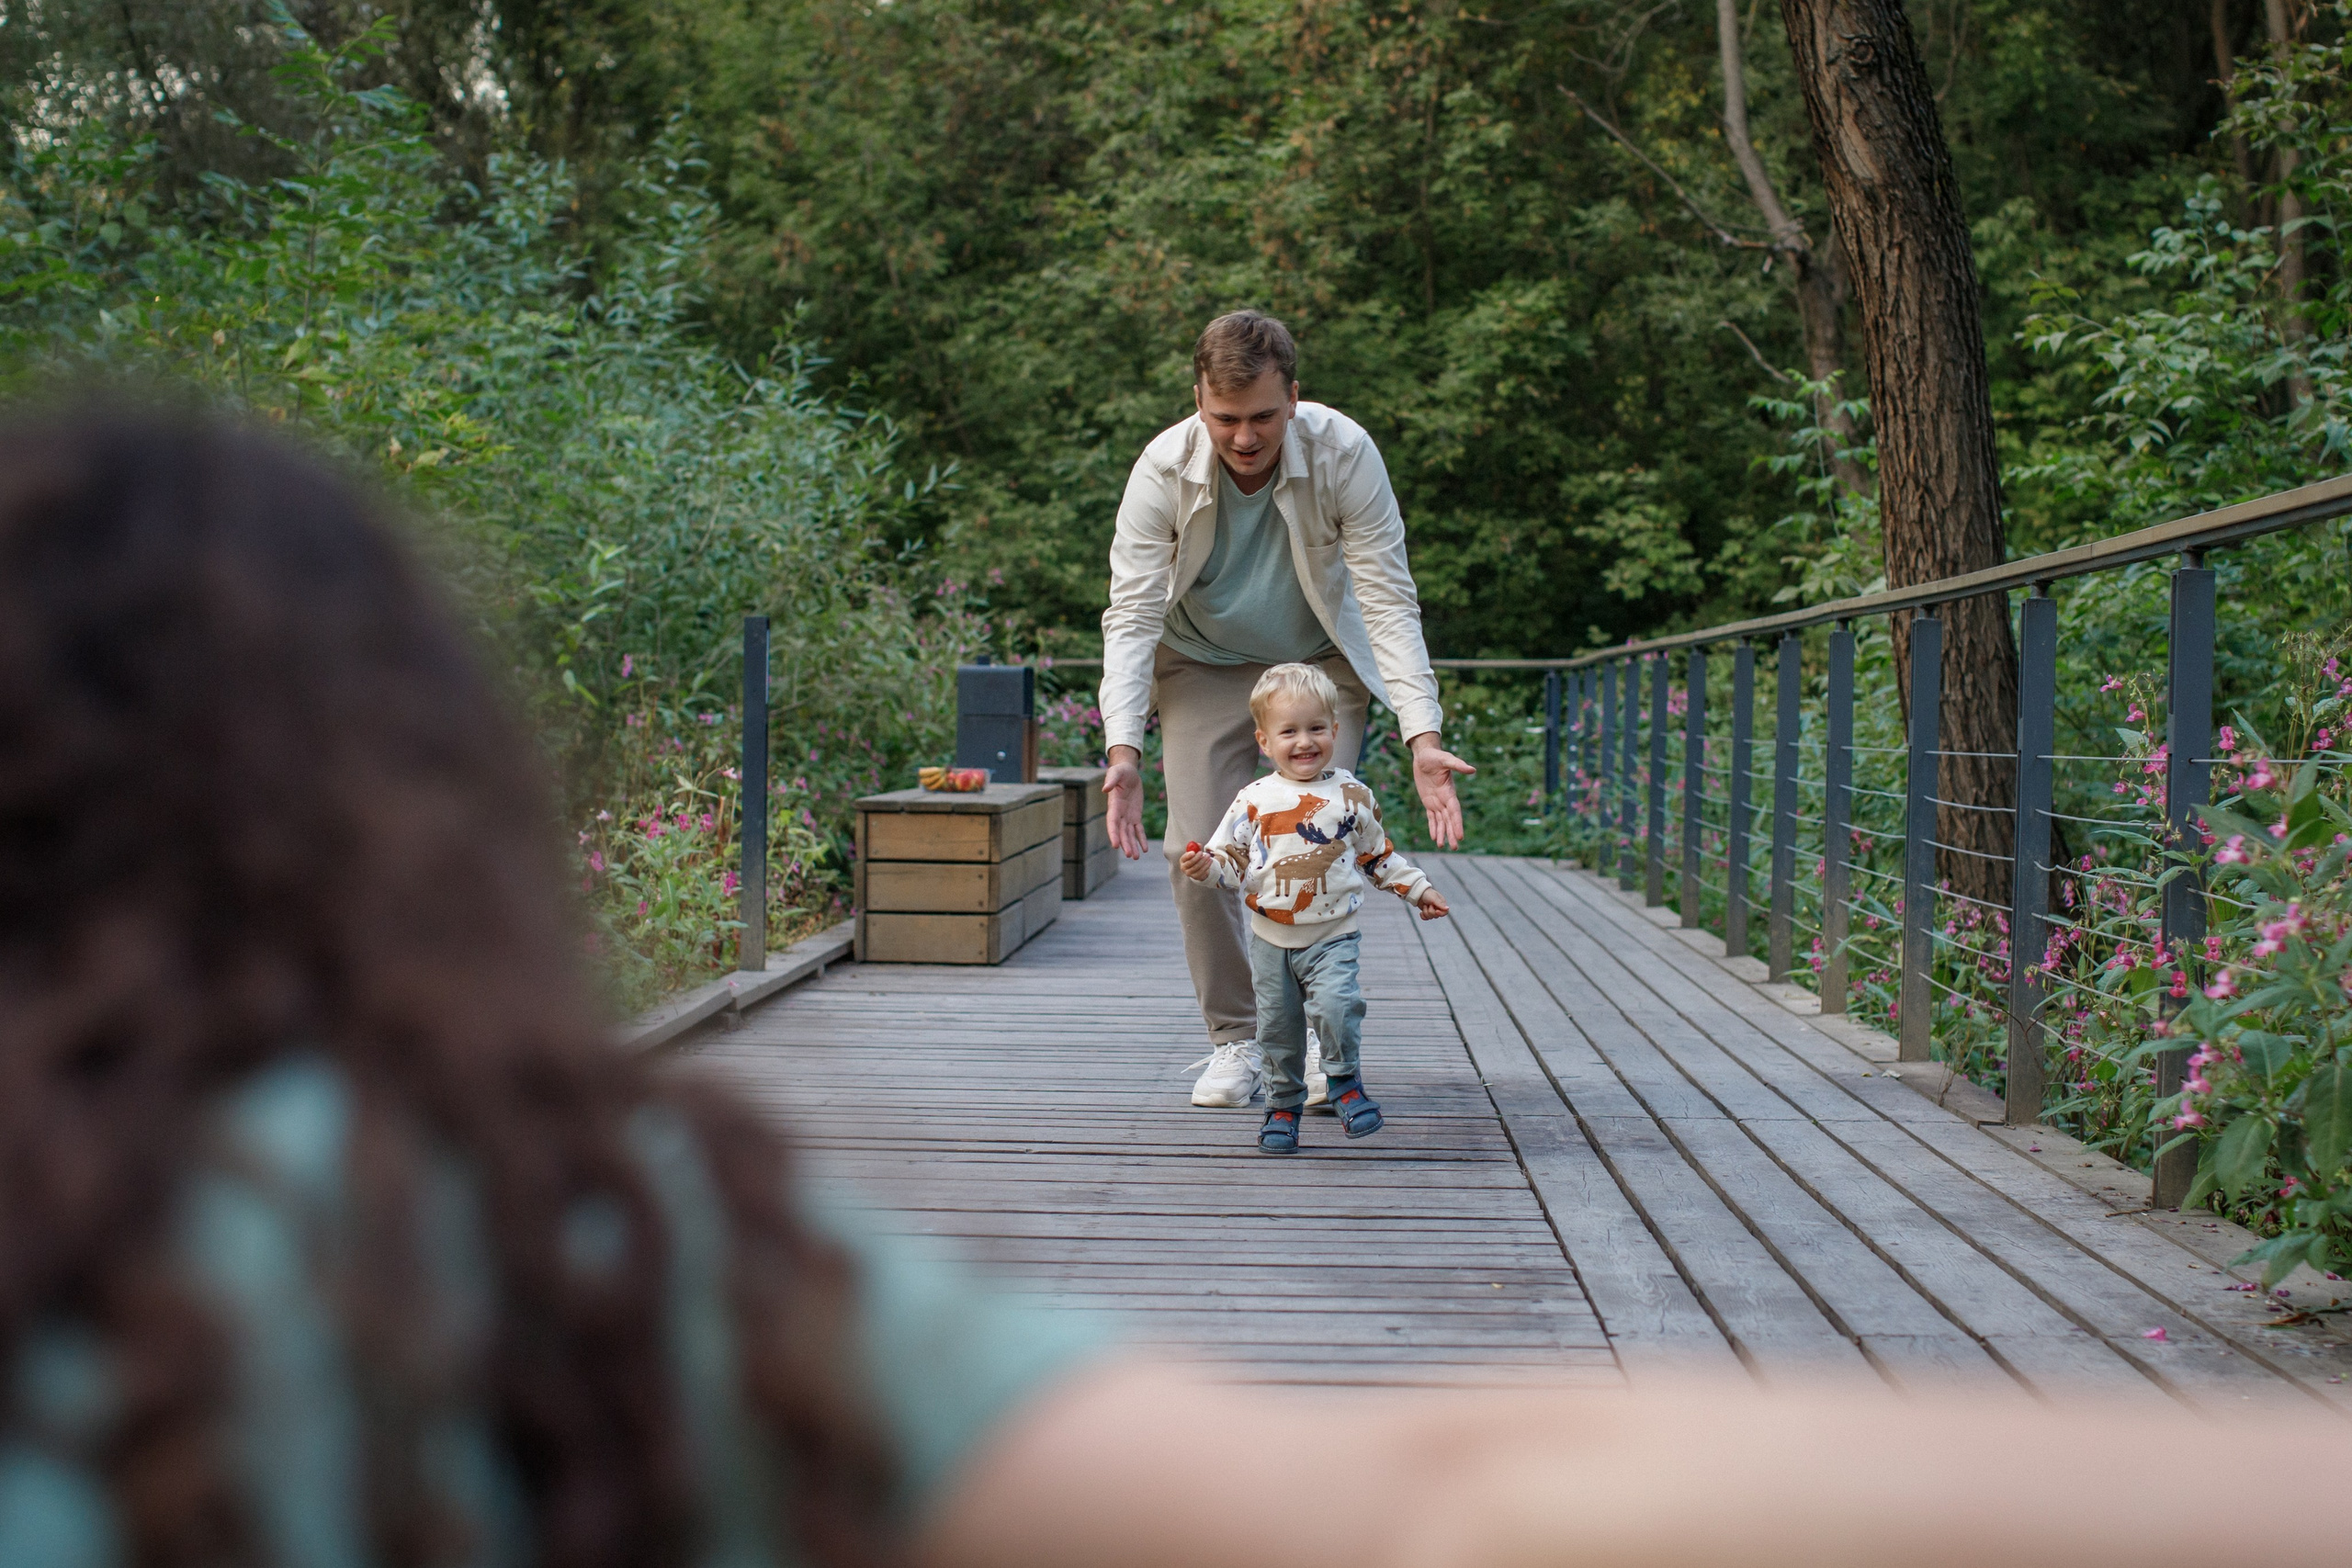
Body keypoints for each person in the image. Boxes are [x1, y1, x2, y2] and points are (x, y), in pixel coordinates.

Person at [5, 407, 2351, 1568]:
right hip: (1210, 720)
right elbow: (1463, 1497)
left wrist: (1411, 749)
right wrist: (1133, 772)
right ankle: (1232, 1020)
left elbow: (1380, 600)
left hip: (1309, 723)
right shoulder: (563, 1258)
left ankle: (1262, 1014)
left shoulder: (1326, 468)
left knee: (1292, 870)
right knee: (1237, 871)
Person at [1097, 310, 1475, 1109]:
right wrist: (1123, 750)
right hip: (1200, 660)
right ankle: (1236, 1039)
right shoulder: (1162, 469)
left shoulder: (1344, 454)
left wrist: (1423, 733)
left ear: (1294, 398)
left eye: (1262, 416)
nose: (1243, 437)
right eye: (1224, 418)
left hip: (1319, 662)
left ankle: (1299, 1036)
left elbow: (1385, 596)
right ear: (1199, 400)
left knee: (1306, 844)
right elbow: (1130, 615)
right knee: (1193, 854)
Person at [1179, 664, 1448, 1154]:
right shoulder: (1254, 800)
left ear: (1335, 731)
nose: (1305, 741)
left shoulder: (1351, 796)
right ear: (1264, 742)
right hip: (1271, 938)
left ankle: (1344, 1082)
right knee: (1279, 1031)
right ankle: (1283, 1106)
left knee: (1338, 1007)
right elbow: (1232, 861)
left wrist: (1418, 889)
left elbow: (1377, 855)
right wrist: (1206, 868)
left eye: (1316, 728)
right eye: (1289, 731)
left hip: (1333, 933)